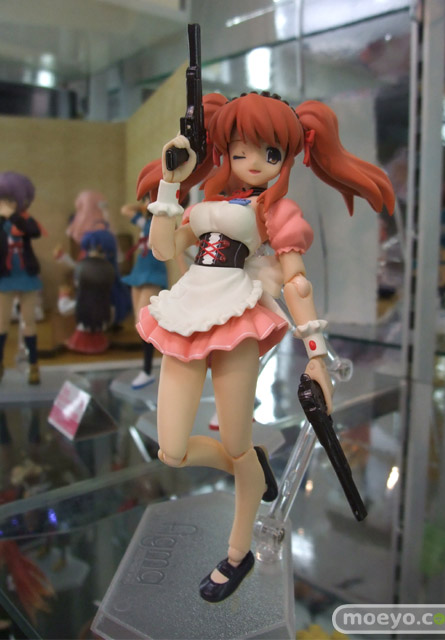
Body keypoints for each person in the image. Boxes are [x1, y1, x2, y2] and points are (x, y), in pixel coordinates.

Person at [136, 91, 395, 602]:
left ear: (286, 158)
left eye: (270, 153)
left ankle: (238, 553)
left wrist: (317, 354)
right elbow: (163, 248)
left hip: (237, 317)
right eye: (241, 150)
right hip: (186, 312)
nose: (254, 162)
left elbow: (297, 283)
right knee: (173, 450)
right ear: (224, 149)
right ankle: (250, 467)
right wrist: (170, 180)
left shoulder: (275, 211)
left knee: (235, 444)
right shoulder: (203, 204)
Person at [0, 172, 44, 384]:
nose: (5, 204)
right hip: (5, 278)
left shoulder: (25, 220)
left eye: (10, 200)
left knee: (29, 322)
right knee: (1, 324)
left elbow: (34, 232)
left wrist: (13, 216)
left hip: (26, 276)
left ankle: (33, 365)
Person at [121, 200, 169, 389]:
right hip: (139, 272)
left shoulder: (163, 221)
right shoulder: (145, 221)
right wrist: (143, 205)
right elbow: (125, 209)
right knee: (140, 325)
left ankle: (149, 369)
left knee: (146, 323)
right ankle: (148, 369)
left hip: (153, 274)